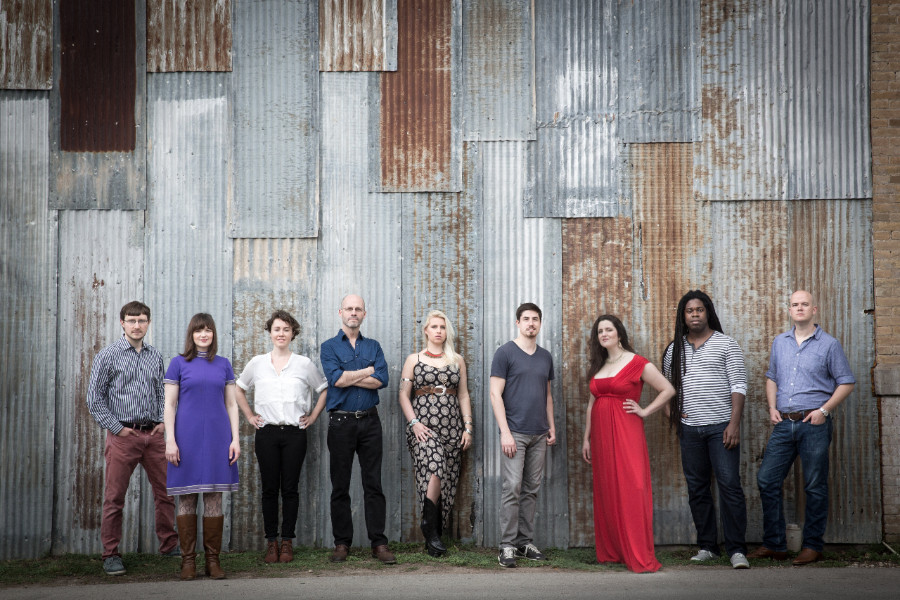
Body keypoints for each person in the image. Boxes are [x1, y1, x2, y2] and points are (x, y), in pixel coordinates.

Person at [749, 291, 855, 566]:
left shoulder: (829, 345)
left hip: (814, 424)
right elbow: (772, 377)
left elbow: (846, 382)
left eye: (804, 304)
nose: (799, 308)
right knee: (767, 480)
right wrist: (772, 407)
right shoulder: (780, 342)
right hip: (784, 423)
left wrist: (824, 411)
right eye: (795, 304)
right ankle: (775, 545)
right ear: (789, 310)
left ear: (814, 309)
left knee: (814, 486)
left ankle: (812, 545)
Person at [86, 301, 178, 576]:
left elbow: (162, 393)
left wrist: (163, 422)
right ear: (122, 323)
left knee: (165, 493)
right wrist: (117, 428)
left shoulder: (155, 356)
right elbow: (94, 398)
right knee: (115, 497)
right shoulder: (108, 355)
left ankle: (169, 545)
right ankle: (111, 554)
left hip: (154, 435)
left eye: (142, 320)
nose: (137, 325)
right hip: (123, 435)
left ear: (148, 323)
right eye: (131, 320)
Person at [662, 290, 750, 569]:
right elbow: (667, 389)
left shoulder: (726, 344)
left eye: (700, 310)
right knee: (698, 489)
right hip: (690, 430)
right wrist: (674, 417)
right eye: (690, 311)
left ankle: (737, 550)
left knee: (729, 486)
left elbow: (739, 386)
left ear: (708, 312)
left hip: (721, 427)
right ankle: (708, 547)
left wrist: (734, 424)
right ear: (683, 316)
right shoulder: (674, 349)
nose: (695, 314)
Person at [581, 315, 675, 573]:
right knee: (608, 488)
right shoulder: (598, 365)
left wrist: (645, 411)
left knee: (632, 487)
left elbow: (668, 389)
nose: (604, 334)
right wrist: (586, 438)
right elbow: (591, 404)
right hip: (601, 435)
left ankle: (637, 552)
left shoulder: (637, 362)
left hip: (626, 431)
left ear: (619, 333)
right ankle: (614, 551)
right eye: (600, 331)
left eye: (608, 329)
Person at [235, 310, 328, 563]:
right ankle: (271, 543)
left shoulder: (304, 364)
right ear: (270, 332)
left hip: (294, 434)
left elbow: (323, 389)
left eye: (286, 329)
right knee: (268, 489)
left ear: (293, 333)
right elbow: (239, 389)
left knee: (290, 489)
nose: (281, 334)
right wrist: (250, 416)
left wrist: (313, 417)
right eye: (277, 329)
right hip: (267, 433)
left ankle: (287, 542)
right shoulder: (257, 363)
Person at [320, 294, 396, 565]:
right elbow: (335, 379)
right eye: (349, 308)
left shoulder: (373, 345)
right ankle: (342, 543)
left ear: (364, 314)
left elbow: (383, 379)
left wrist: (350, 376)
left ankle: (379, 542)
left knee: (373, 483)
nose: (353, 312)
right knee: (340, 485)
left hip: (370, 422)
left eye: (358, 309)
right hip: (340, 423)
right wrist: (367, 371)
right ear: (340, 312)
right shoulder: (328, 347)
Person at [164, 313, 240, 580]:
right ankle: (187, 562)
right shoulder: (177, 364)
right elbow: (170, 405)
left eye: (208, 330)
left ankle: (213, 561)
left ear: (213, 333)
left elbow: (231, 404)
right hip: (186, 438)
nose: (203, 335)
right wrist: (170, 441)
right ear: (191, 334)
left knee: (214, 497)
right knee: (185, 498)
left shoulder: (224, 364)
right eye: (198, 330)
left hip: (219, 438)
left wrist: (236, 439)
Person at [398, 310, 473, 557]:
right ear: (426, 331)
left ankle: (434, 537)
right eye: (434, 326)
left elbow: (463, 394)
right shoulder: (414, 359)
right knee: (435, 466)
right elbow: (403, 395)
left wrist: (468, 427)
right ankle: (429, 529)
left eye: (442, 327)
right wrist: (414, 423)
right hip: (423, 428)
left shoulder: (456, 360)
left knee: (448, 482)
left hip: (452, 427)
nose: (438, 331)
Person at [489, 302, 557, 568]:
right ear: (517, 322)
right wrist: (505, 432)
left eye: (535, 319)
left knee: (531, 490)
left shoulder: (545, 356)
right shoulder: (505, 353)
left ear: (540, 324)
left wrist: (551, 426)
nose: (531, 323)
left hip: (539, 433)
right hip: (514, 432)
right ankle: (506, 546)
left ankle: (524, 542)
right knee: (512, 487)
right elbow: (495, 394)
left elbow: (548, 395)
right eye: (526, 319)